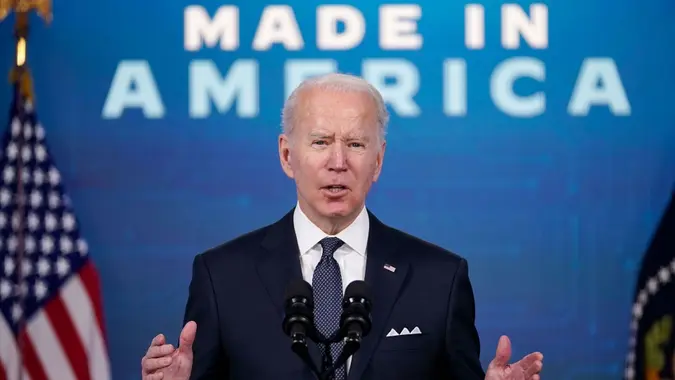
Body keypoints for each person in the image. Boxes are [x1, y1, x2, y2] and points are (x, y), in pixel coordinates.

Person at [140, 73, 544, 380]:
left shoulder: (440, 278)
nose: (338, 162)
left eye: (355, 144)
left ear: (378, 160)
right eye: (320, 142)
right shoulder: (221, 276)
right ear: (286, 155)